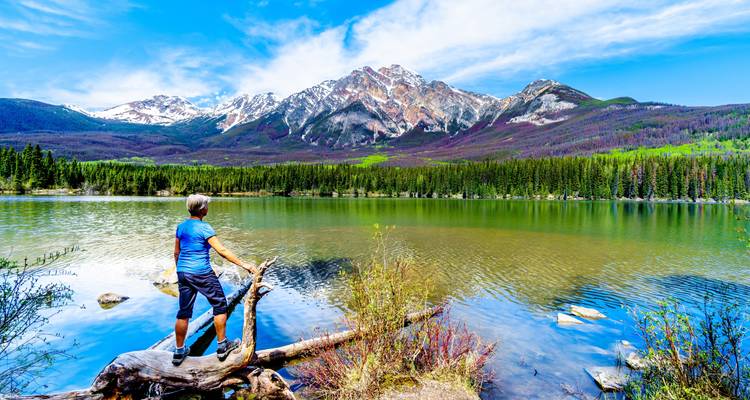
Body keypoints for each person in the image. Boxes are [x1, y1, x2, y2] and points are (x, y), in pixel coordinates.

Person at [172, 194, 257, 366]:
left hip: (183, 272)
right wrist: (245, 265)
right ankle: (222, 346)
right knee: (220, 305)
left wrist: (180, 270)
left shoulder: (181, 227)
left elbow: (176, 252)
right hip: (201, 272)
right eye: (206, 206)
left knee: (184, 312)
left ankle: (179, 351)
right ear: (202, 209)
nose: (207, 208)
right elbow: (222, 251)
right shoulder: (205, 228)